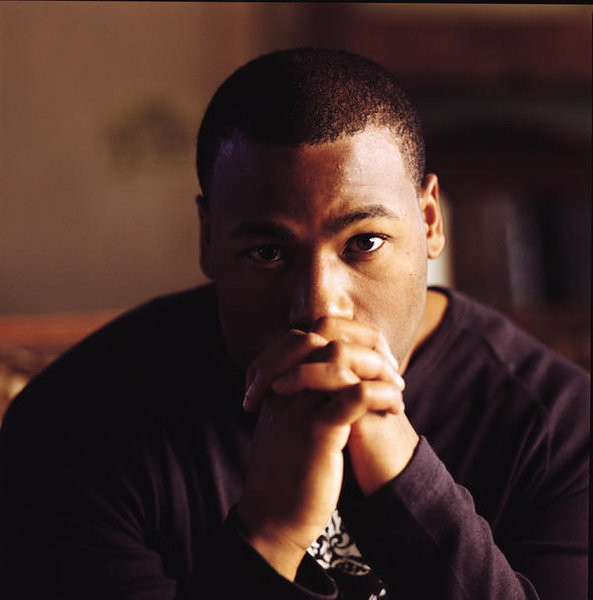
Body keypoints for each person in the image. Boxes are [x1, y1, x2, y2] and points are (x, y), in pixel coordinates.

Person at [0, 48, 588, 600]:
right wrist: (271, 531)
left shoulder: (562, 429)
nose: (319, 307)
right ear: (208, 238)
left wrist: (406, 481)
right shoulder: (72, 425)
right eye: (267, 253)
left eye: (365, 242)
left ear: (430, 221)